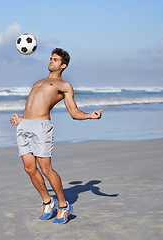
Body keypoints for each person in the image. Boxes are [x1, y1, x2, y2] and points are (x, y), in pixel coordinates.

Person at [10, 48, 103, 224]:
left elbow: (74, 113)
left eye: (55, 59)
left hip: (41, 128)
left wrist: (91, 115)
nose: (51, 61)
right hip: (24, 126)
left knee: (45, 169)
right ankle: (47, 201)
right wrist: (21, 119)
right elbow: (35, 106)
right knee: (29, 169)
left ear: (63, 65)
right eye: (51, 58)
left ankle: (63, 205)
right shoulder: (38, 82)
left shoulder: (64, 86)